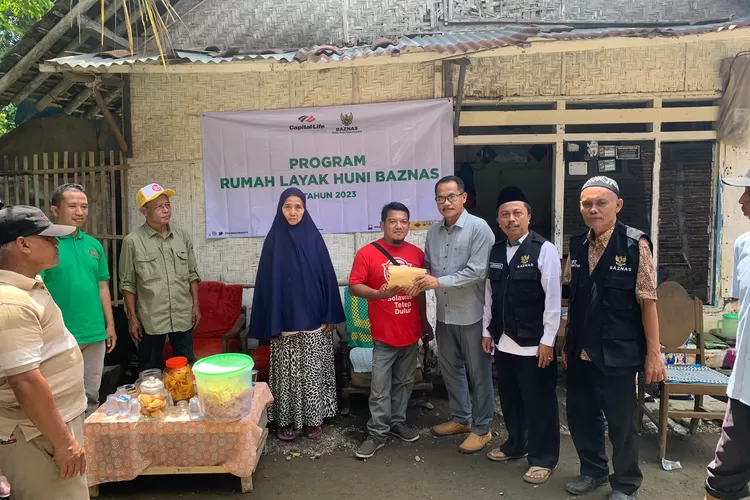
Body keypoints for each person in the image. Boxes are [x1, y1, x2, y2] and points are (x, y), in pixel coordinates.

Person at [562, 176, 666, 500]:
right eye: (587, 204)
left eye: (601, 203)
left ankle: (626, 485)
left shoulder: (636, 245)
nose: (593, 209)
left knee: (621, 423)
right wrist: (564, 341)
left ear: (617, 205)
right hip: (580, 350)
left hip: (618, 352)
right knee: (581, 416)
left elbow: (648, 302)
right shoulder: (576, 244)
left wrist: (654, 354)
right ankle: (593, 472)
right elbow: (570, 298)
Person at [0, 205, 88, 500]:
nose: (56, 243)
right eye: (48, 237)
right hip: (38, 437)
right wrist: (63, 443)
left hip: (49, 429)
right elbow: (24, 381)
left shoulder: (30, 286)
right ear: (23, 245)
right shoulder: (10, 301)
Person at [408, 175, 496, 454]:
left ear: (463, 197)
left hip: (473, 314)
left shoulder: (479, 228)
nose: (446, 203)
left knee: (478, 373)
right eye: (440, 198)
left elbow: (478, 271)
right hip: (445, 314)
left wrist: (438, 282)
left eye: (451, 197)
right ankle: (462, 419)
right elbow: (429, 269)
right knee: (451, 369)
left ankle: (483, 428)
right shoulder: (433, 233)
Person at [249, 188, 345, 441]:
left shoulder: (314, 238)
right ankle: (286, 420)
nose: (293, 212)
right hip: (284, 321)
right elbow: (266, 285)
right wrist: (270, 323)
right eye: (288, 207)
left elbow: (327, 277)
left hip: (314, 318)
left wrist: (329, 315)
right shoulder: (273, 241)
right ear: (280, 209)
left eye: (298, 207)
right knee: (287, 374)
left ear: (305, 209)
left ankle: (314, 420)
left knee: (312, 371)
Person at [482, 187, 561, 484]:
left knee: (539, 403)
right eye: (505, 214)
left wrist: (548, 341)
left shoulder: (545, 250)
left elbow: (553, 300)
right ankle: (516, 444)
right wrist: (486, 331)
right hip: (503, 342)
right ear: (498, 220)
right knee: (512, 400)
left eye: (517, 213)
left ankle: (544, 457)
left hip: (534, 344)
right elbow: (489, 295)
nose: (511, 219)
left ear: (528, 216)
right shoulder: (497, 251)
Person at [349, 202, 434, 459]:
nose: (399, 226)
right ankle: (377, 432)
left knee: (406, 383)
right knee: (380, 388)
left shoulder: (417, 254)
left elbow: (420, 293)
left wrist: (424, 321)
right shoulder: (367, 254)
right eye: (393, 221)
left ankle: (397, 422)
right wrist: (378, 294)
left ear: (409, 225)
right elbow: (354, 286)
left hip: (409, 332)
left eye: (404, 221)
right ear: (382, 224)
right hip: (384, 334)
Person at [40, 184, 116, 417]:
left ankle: (87, 446)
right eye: (72, 206)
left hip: (94, 331)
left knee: (91, 393)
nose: (80, 212)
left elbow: (102, 285)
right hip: (59, 333)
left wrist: (109, 325)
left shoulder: (93, 245)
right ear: (55, 209)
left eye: (84, 206)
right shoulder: (44, 245)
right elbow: (38, 288)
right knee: (60, 395)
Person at [703, 170, 750, 500]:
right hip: (745, 385)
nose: (742, 200)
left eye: (749, 192)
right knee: (723, 477)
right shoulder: (743, 245)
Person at [119, 183, 200, 372]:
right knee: (149, 370)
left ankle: (186, 401)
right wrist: (132, 318)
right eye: (159, 207)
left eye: (168, 205)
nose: (166, 211)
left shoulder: (182, 236)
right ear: (144, 211)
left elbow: (192, 274)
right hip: (151, 319)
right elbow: (128, 284)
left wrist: (195, 306)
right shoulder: (132, 241)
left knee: (187, 367)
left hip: (182, 314)